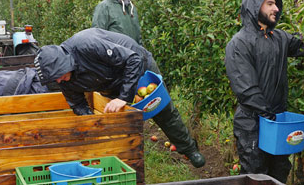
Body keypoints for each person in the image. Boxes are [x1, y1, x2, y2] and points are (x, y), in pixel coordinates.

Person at [34, 27, 205, 168]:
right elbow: (78, 104)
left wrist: (124, 97)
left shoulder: (87, 45)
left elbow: (133, 59)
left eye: (59, 75)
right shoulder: (64, 81)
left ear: (65, 62)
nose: (59, 80)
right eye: (54, 79)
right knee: (123, 122)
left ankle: (189, 149)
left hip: (138, 67)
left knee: (161, 109)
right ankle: (126, 163)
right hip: (111, 84)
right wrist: (95, 127)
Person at [224, 0, 304, 183]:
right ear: (255, 7)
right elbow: (246, 89)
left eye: (276, 5)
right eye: (270, 4)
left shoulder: (279, 38)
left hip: (276, 122)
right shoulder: (239, 43)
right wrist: (269, 116)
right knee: (255, 177)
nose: (276, 9)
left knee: (279, 174)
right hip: (252, 123)